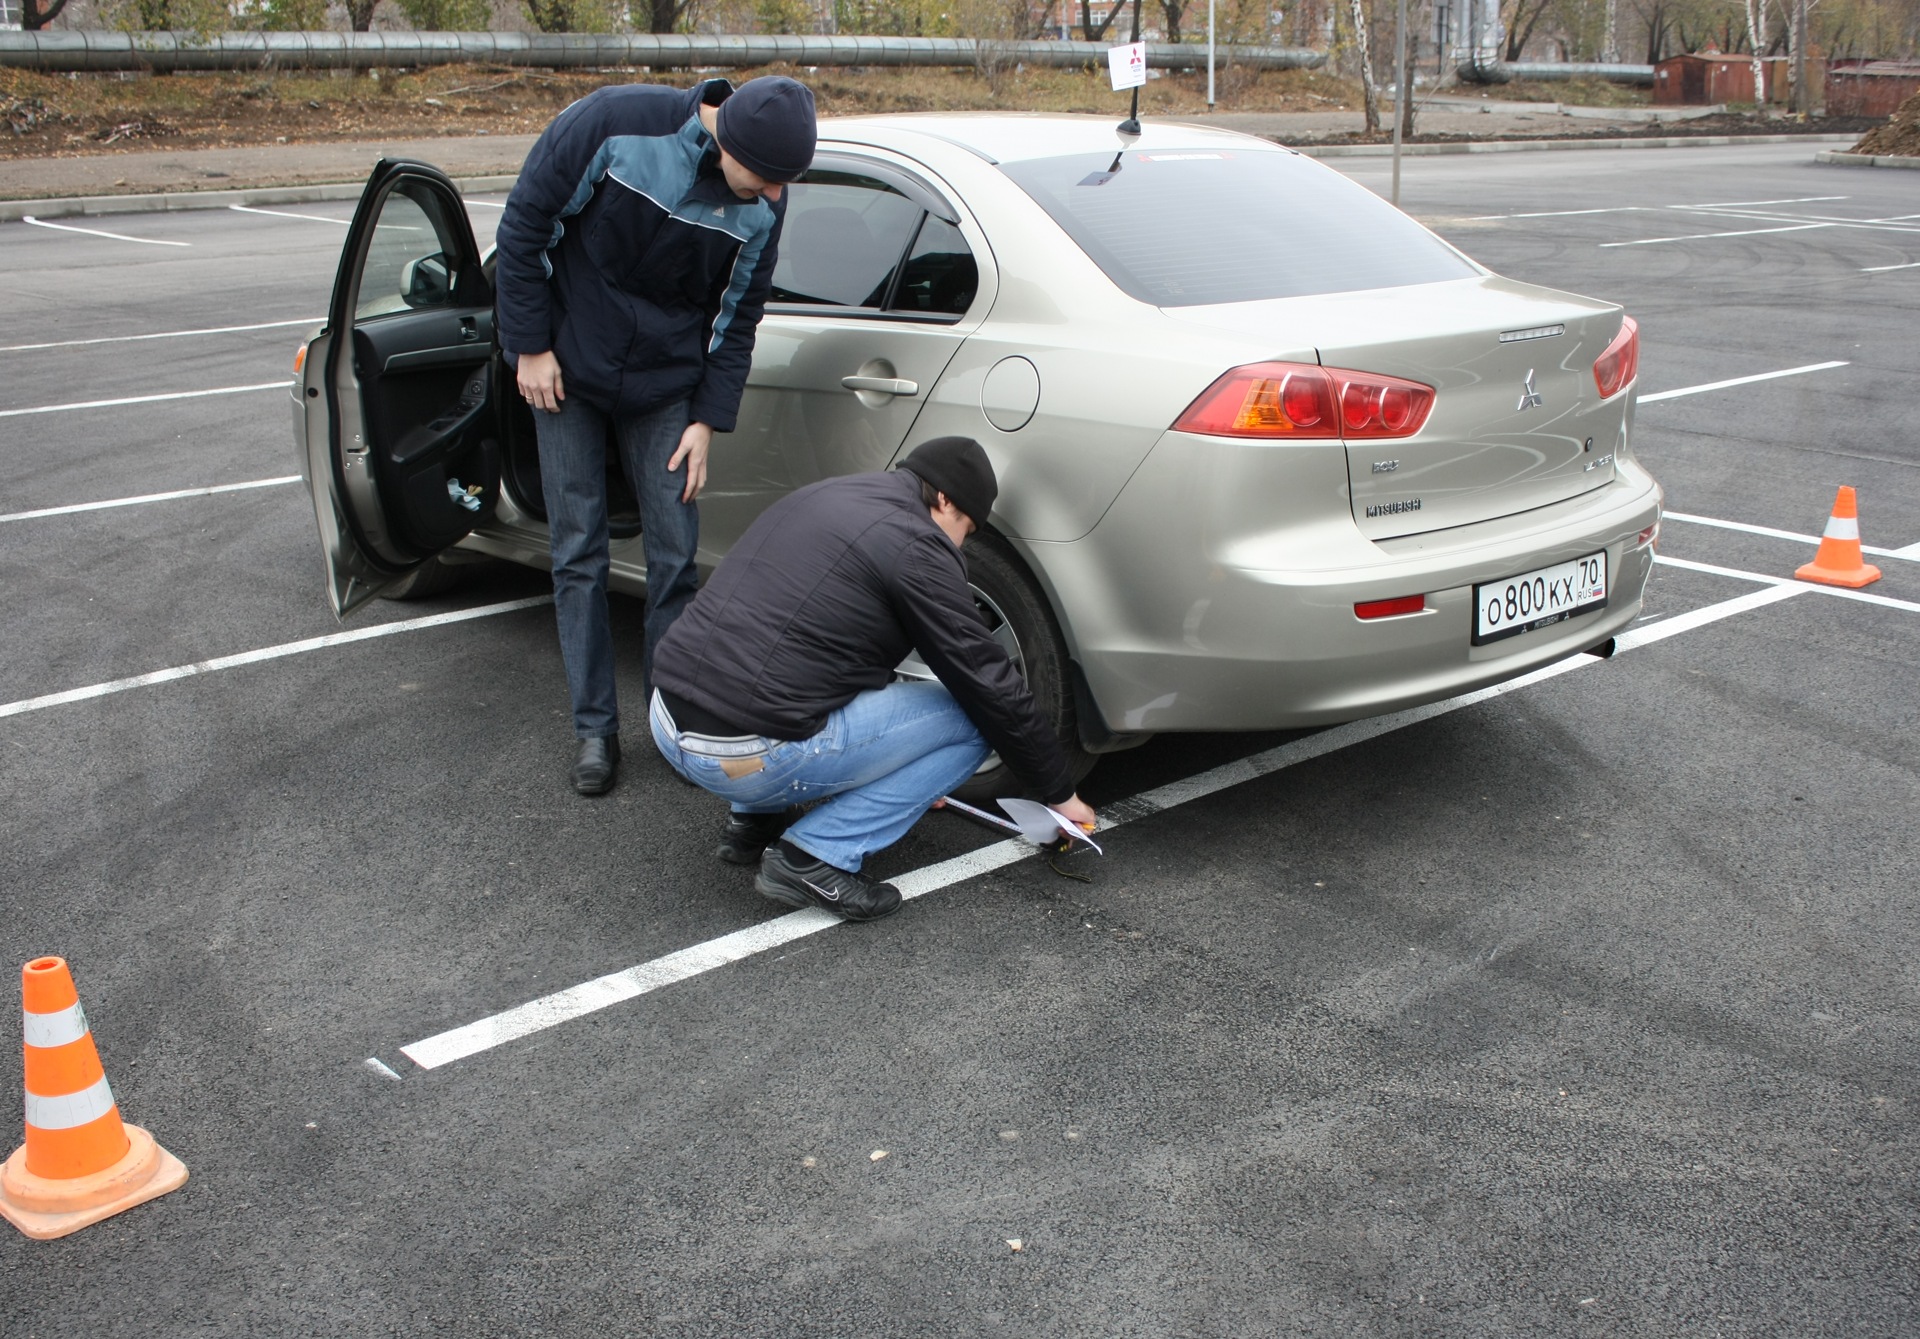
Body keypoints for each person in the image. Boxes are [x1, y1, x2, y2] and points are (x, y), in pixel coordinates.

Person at [494, 75, 816, 795]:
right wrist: (530, 346)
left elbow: (739, 317)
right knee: (578, 552)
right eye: (763, 179)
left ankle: (673, 731)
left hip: (664, 386)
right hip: (568, 368)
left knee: (674, 557)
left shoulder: (765, 200)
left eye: (781, 185)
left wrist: (706, 417)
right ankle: (594, 731)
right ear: (727, 140)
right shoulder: (615, 126)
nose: (771, 197)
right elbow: (524, 227)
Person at [649, 436, 1099, 923]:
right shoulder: (916, 544)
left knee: (775, 669)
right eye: (965, 527)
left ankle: (751, 822)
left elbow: (827, 641)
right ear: (944, 499)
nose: (960, 544)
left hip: (668, 722)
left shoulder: (830, 495)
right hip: (748, 757)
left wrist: (909, 767)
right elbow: (990, 686)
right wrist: (1059, 794)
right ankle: (816, 858)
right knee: (975, 719)